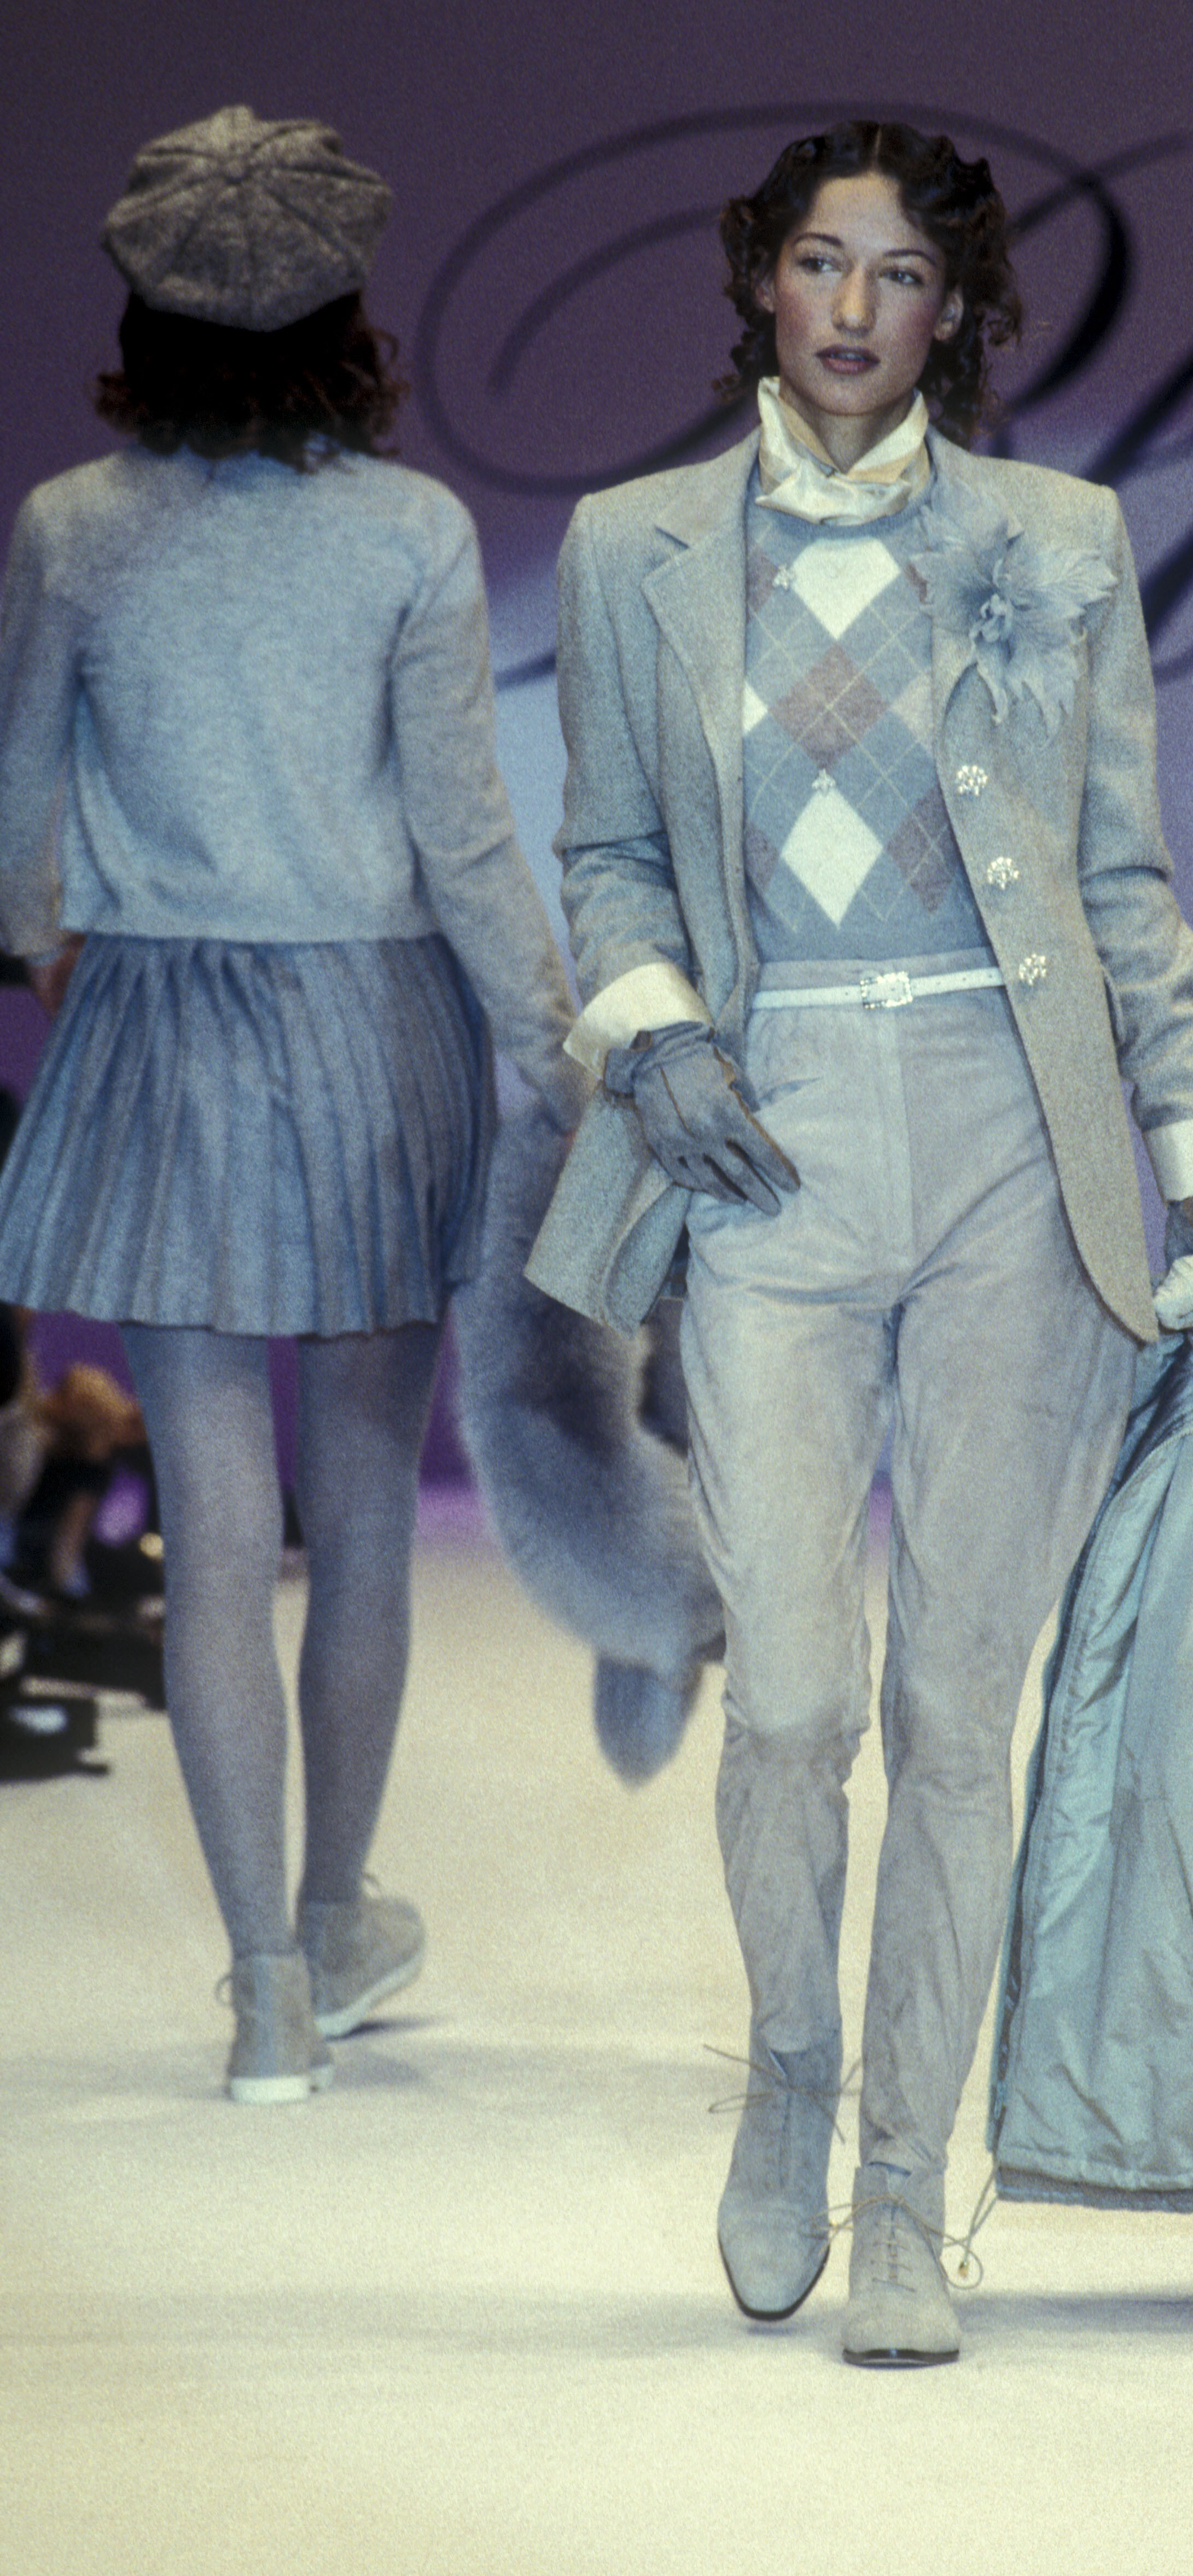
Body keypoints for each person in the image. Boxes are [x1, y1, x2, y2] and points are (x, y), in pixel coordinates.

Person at [527, 120, 1193, 2362]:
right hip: (762, 1146)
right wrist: (655, 1036)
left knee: (961, 1702)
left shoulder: (1058, 540)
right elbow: (606, 853)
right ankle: (787, 2075)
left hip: (1005, 1148)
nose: (853, 308)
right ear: (759, 282)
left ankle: (893, 2185)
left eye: (900, 273)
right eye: (817, 262)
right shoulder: (634, 547)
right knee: (790, 1697)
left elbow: (1122, 879)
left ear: (959, 312)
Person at [0, 107, 584, 2102]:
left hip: (162, 1028)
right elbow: (465, 834)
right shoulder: (407, 533)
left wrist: (51, 945)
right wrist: (557, 1043)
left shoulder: (73, 527)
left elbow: (18, 813)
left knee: (214, 1514)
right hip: (372, 1030)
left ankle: (261, 1988)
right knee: (362, 1511)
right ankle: (335, 1921)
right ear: (346, 312)